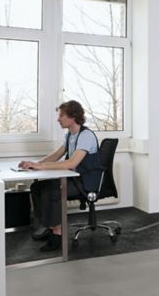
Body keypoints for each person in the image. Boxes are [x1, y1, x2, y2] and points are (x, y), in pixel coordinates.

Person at [18, 100, 101, 252]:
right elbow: (57, 154)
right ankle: (48, 226)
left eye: (62, 115)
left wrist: (40, 166)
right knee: (37, 187)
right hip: (75, 178)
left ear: (73, 116)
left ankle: (58, 234)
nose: (58, 119)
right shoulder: (70, 134)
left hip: (86, 183)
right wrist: (34, 164)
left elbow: (71, 163)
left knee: (52, 190)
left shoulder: (86, 135)